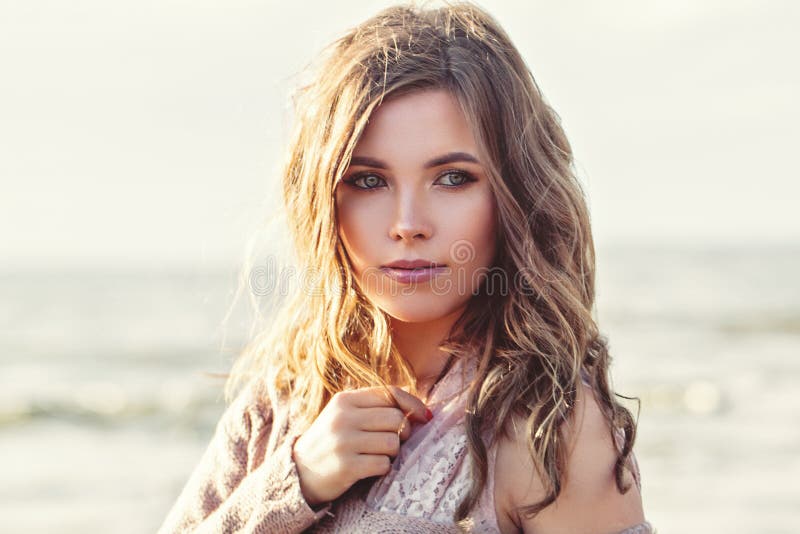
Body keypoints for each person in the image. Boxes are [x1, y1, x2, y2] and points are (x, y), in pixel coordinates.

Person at [157, 2, 655, 532]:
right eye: (369, 181)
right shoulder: (280, 404)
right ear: (325, 201)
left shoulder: (552, 431)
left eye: (453, 178)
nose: (408, 224)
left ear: (514, 193)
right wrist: (295, 483)